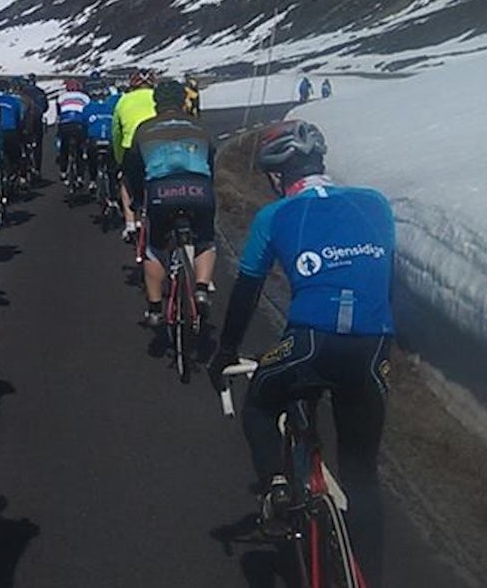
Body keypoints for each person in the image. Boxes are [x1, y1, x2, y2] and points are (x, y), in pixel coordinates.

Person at [209, 120, 394, 585]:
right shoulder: (376, 202)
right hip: (373, 348)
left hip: (308, 343)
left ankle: (274, 486)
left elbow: (247, 291)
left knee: (261, 402)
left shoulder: (276, 215)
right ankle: (367, 572)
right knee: (362, 475)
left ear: (277, 177)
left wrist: (224, 351)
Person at [122, 79, 217, 326]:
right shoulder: (200, 126)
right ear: (182, 101)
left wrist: (137, 202)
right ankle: (202, 288)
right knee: (205, 240)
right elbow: (211, 162)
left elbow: (132, 170)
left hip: (160, 192)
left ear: (156, 104)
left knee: (155, 249)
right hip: (199, 189)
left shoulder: (144, 129)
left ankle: (155, 309)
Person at [111, 69, 158, 241]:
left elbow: (116, 132)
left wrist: (118, 159)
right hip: (157, 146)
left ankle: (131, 224)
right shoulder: (158, 98)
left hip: (132, 148)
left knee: (126, 181)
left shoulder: (123, 101)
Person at [81, 82, 120, 205]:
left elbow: (83, 126)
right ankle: (114, 198)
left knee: (91, 160)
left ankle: (92, 180)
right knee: (112, 168)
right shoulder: (113, 105)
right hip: (110, 141)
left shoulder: (87, 107)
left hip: (94, 141)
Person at [54, 79, 91, 188]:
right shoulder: (85, 97)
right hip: (79, 124)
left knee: (64, 147)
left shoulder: (62, 97)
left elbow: (59, 113)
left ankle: (63, 171)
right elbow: (88, 111)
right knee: (80, 150)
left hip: (65, 124)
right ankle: (80, 176)